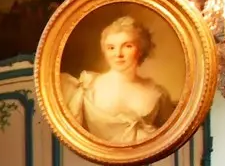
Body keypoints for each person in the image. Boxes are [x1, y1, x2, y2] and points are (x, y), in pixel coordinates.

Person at [60, 14, 175, 147]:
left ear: (140, 49)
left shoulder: (158, 94)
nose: (118, 54)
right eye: (111, 48)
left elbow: (170, 138)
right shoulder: (88, 88)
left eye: (127, 46)